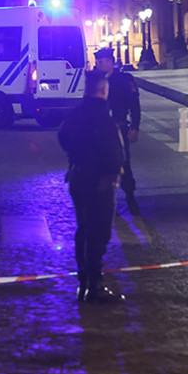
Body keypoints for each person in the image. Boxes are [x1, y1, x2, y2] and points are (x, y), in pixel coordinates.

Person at [58, 69, 126, 303]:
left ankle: (83, 281)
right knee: (100, 232)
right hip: (100, 182)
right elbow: (114, 152)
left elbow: (63, 137)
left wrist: (78, 155)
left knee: (83, 229)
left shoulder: (75, 114)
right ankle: (95, 284)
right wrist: (113, 170)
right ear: (103, 90)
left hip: (78, 177)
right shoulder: (104, 118)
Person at [94, 47, 142, 215]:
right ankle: (108, 201)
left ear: (109, 62)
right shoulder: (96, 81)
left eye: (100, 62)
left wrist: (135, 127)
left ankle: (130, 197)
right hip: (101, 131)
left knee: (123, 164)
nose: (97, 65)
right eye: (96, 62)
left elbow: (134, 106)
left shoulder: (123, 80)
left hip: (119, 128)